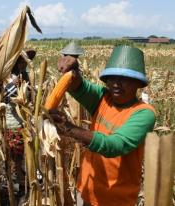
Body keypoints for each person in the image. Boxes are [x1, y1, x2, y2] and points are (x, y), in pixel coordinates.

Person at [53, 45, 156, 206]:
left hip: (116, 199)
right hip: (89, 189)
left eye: (125, 79)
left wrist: (69, 129)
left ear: (138, 83)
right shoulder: (103, 98)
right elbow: (79, 87)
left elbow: (115, 145)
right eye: (112, 78)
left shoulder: (143, 114)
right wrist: (73, 70)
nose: (116, 84)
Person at [3, 49, 36, 195]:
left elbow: (31, 97)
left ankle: (24, 180)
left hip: (26, 122)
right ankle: (18, 183)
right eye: (21, 61)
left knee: (23, 154)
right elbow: (2, 98)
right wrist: (14, 85)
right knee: (16, 155)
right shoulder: (8, 78)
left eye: (25, 61)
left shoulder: (26, 76)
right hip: (13, 123)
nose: (24, 64)